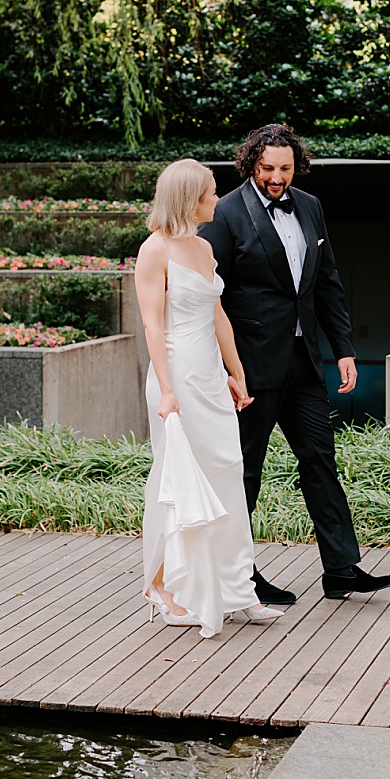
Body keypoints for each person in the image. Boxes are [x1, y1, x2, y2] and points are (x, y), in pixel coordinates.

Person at [198, 124, 390, 604]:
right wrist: (223, 369)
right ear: (251, 164)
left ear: (296, 166)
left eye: (285, 168)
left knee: (320, 461)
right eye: (267, 168)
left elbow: (326, 283)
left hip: (306, 363)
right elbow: (208, 296)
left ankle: (342, 568)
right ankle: (239, 575)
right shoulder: (225, 214)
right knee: (246, 470)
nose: (276, 177)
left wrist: (343, 348)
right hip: (251, 369)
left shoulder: (310, 206)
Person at [136, 158, 284, 637]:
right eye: (211, 193)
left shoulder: (203, 247)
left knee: (227, 476)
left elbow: (218, 314)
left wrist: (236, 372)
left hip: (209, 377)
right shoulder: (153, 250)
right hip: (175, 377)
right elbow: (152, 325)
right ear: (189, 199)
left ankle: (237, 588)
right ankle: (170, 589)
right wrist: (168, 391)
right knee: (179, 479)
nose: (218, 199)